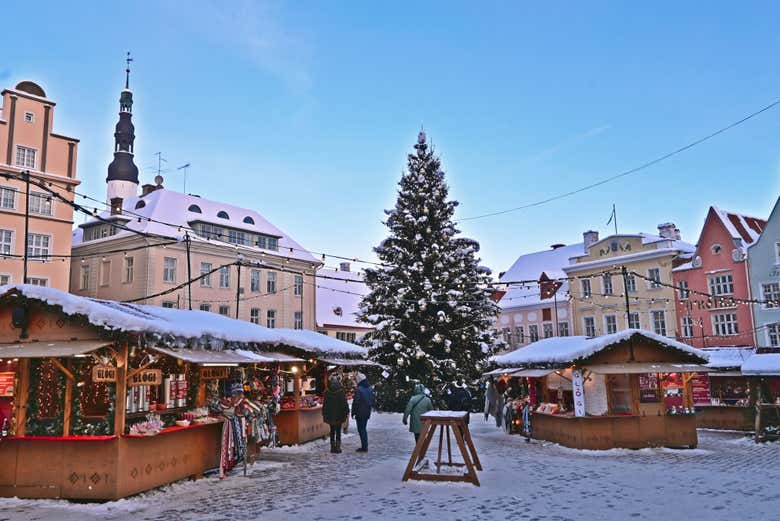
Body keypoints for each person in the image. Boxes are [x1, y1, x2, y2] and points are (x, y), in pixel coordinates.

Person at [322, 374, 349, 454]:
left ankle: (332, 447)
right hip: (339, 415)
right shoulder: (341, 392)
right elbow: (344, 403)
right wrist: (346, 411)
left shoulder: (327, 392)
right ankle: (338, 448)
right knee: (338, 431)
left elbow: (325, 404)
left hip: (330, 415)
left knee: (332, 431)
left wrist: (324, 413)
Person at [351, 372, 375, 452]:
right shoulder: (369, 388)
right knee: (363, 428)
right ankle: (365, 445)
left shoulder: (360, 389)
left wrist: (353, 412)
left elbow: (356, 402)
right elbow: (372, 400)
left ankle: (364, 447)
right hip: (367, 411)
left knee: (361, 429)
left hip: (360, 412)